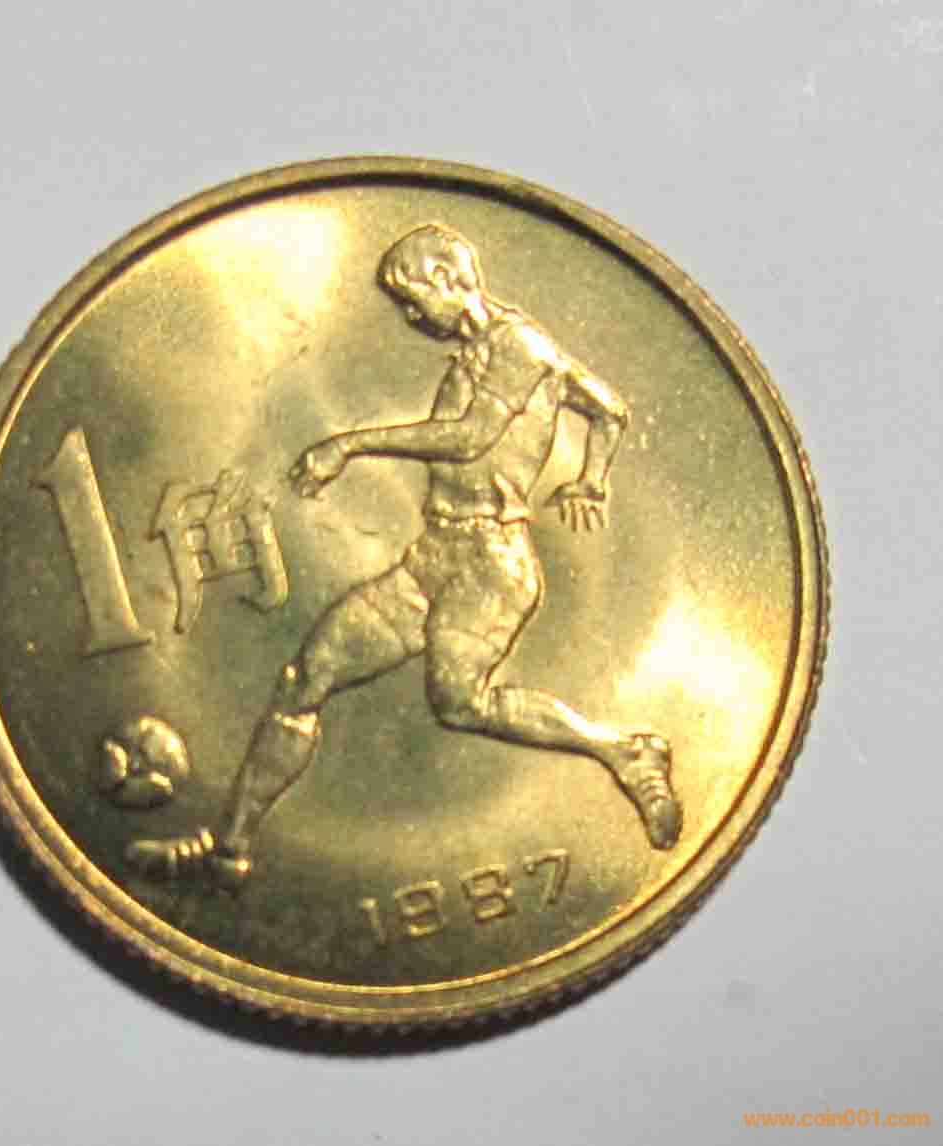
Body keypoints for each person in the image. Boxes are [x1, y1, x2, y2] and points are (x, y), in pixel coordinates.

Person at [127, 223, 681, 889]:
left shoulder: (521, 346)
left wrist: (350, 444)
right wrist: (591, 476)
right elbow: (609, 409)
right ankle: (229, 852)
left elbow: (470, 436)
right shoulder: (492, 351)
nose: (413, 321)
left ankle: (622, 751)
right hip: (433, 558)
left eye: (415, 304)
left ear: (448, 279)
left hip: (489, 568)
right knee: (307, 675)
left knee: (460, 704)